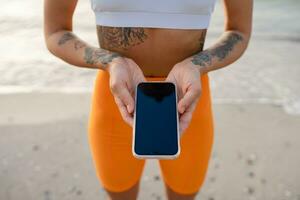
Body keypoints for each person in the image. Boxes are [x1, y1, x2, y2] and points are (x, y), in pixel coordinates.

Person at [44, 0, 252, 199]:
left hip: (186, 98)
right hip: (117, 97)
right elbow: (56, 32)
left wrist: (197, 65)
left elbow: (239, 31)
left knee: (184, 192)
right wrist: (111, 61)